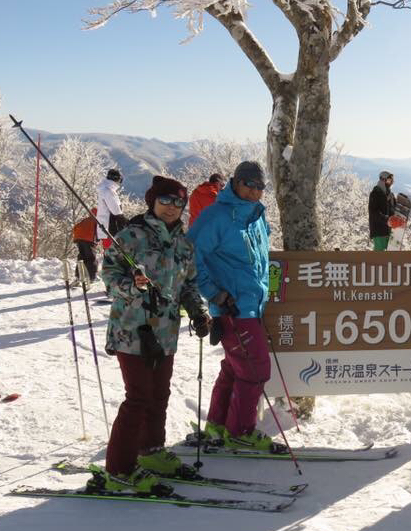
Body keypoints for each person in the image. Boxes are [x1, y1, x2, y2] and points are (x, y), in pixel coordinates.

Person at [94, 175, 210, 494]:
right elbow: (109, 275)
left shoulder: (183, 244)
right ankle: (119, 469)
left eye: (178, 202)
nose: (172, 208)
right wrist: (133, 286)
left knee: (160, 395)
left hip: (166, 331)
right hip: (132, 329)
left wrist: (199, 313)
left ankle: (151, 451)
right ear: (152, 201)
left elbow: (188, 284)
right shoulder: (132, 236)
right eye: (166, 201)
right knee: (138, 399)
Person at [188, 160, 280, 450]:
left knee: (235, 367)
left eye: (260, 186)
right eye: (248, 184)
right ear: (235, 182)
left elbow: (260, 261)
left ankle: (218, 424)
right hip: (232, 308)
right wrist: (214, 294)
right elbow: (190, 257)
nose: (254, 191)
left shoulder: (256, 216)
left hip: (252, 304)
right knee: (255, 370)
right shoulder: (217, 216)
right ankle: (240, 431)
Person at [96, 168, 127, 250]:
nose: (120, 183)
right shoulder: (108, 191)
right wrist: (125, 221)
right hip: (109, 226)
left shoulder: (105, 189)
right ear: (116, 179)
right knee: (112, 251)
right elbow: (116, 211)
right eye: (120, 180)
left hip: (105, 225)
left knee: (108, 250)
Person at [368, 171, 396, 251]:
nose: (391, 183)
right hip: (379, 230)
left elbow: (393, 209)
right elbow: (373, 212)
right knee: (379, 255)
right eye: (389, 180)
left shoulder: (390, 195)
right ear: (383, 180)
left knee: (389, 256)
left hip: (389, 230)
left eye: (392, 181)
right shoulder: (375, 193)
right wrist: (386, 219)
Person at [71, 206, 99, 283]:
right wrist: (97, 240)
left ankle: (78, 276)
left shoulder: (85, 220)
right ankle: (92, 277)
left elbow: (75, 227)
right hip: (89, 240)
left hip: (79, 239)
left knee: (82, 257)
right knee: (91, 258)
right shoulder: (97, 220)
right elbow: (99, 233)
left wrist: (78, 237)